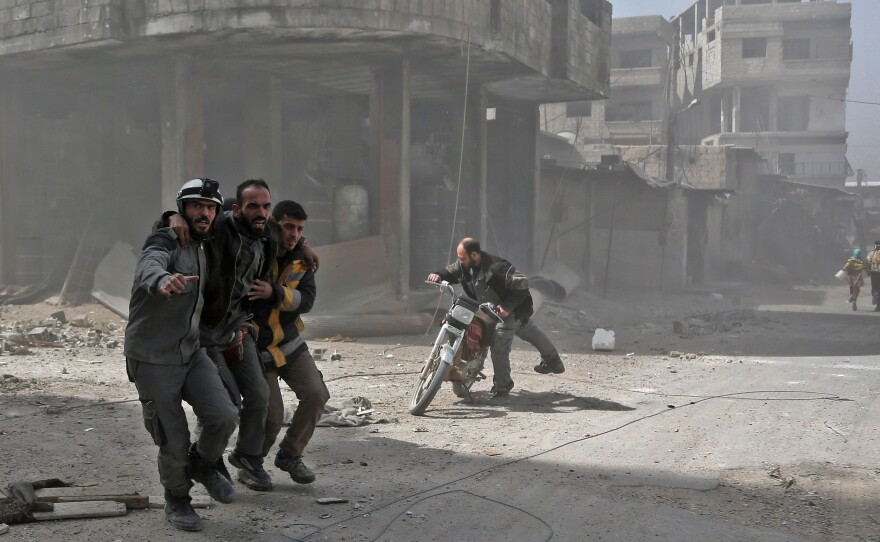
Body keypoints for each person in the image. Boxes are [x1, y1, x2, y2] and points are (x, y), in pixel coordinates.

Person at [124, 178, 238, 532]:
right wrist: (160, 279)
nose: (204, 213)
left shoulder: (206, 245)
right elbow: (149, 261)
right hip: (153, 357)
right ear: (182, 209)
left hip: (191, 351)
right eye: (196, 206)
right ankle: (177, 498)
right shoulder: (167, 238)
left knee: (224, 415)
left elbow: (255, 227)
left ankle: (203, 464)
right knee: (172, 437)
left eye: (210, 207)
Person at [166, 179, 278, 492]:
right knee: (226, 401)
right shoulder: (219, 230)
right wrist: (168, 217)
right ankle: (208, 460)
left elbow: (289, 235)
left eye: (266, 206)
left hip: (239, 327)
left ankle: (247, 456)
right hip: (207, 333)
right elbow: (191, 221)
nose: (260, 212)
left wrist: (246, 323)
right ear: (235, 209)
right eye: (253, 206)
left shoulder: (267, 234)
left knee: (259, 394)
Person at [249, 200, 329, 487]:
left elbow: (305, 302)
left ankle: (290, 455)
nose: (294, 234)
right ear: (274, 225)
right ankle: (251, 463)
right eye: (288, 227)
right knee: (272, 417)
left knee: (317, 394)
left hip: (290, 343)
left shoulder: (302, 261)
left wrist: (274, 293)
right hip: (257, 348)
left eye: (299, 230)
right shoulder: (256, 250)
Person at [427, 238, 563, 405]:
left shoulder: (497, 267)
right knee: (526, 329)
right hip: (489, 307)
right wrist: (438, 275)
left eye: (462, 257)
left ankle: (502, 390)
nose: (460, 261)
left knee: (500, 344)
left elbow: (523, 283)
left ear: (475, 255)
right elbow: (451, 271)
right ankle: (554, 361)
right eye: (459, 258)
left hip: (512, 308)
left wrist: (506, 306)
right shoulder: (465, 265)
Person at [868, 241, 880, 312]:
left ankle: (875, 293)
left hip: (874, 272)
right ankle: (878, 307)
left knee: (875, 288)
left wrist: (868, 271)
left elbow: (868, 262)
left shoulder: (871, 253)